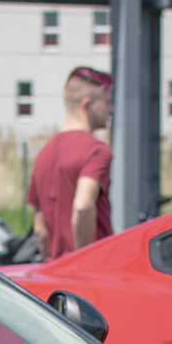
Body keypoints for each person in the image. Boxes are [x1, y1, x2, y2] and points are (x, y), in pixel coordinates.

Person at [25, 66, 114, 261]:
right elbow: (82, 205)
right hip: (90, 267)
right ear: (87, 105)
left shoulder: (43, 154)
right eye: (107, 102)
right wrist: (81, 260)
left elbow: (40, 230)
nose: (111, 109)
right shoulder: (97, 151)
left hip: (54, 268)